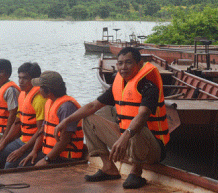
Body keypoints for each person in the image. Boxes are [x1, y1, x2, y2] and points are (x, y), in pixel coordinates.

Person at [54, 47, 169, 189]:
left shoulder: (148, 87)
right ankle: (109, 167)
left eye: (128, 63)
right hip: (127, 142)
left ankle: (136, 172)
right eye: (120, 63)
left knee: (136, 128)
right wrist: (66, 121)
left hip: (152, 149)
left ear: (139, 64)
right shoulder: (118, 86)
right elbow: (92, 106)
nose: (123, 67)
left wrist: (125, 136)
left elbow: (143, 115)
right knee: (89, 119)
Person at [0, 62, 47, 170]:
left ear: (34, 80)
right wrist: (3, 142)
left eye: (25, 78)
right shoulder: (23, 95)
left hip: (33, 143)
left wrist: (22, 150)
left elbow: (41, 131)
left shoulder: (39, 100)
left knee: (10, 164)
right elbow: (17, 123)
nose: (20, 81)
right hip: (22, 139)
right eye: (19, 78)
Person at [28, 71, 85, 167]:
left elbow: (64, 140)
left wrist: (46, 160)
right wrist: (34, 151)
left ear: (48, 91)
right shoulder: (49, 102)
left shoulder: (66, 107)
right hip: (51, 154)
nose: (38, 90)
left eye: (41, 87)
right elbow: (43, 131)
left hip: (64, 158)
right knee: (18, 163)